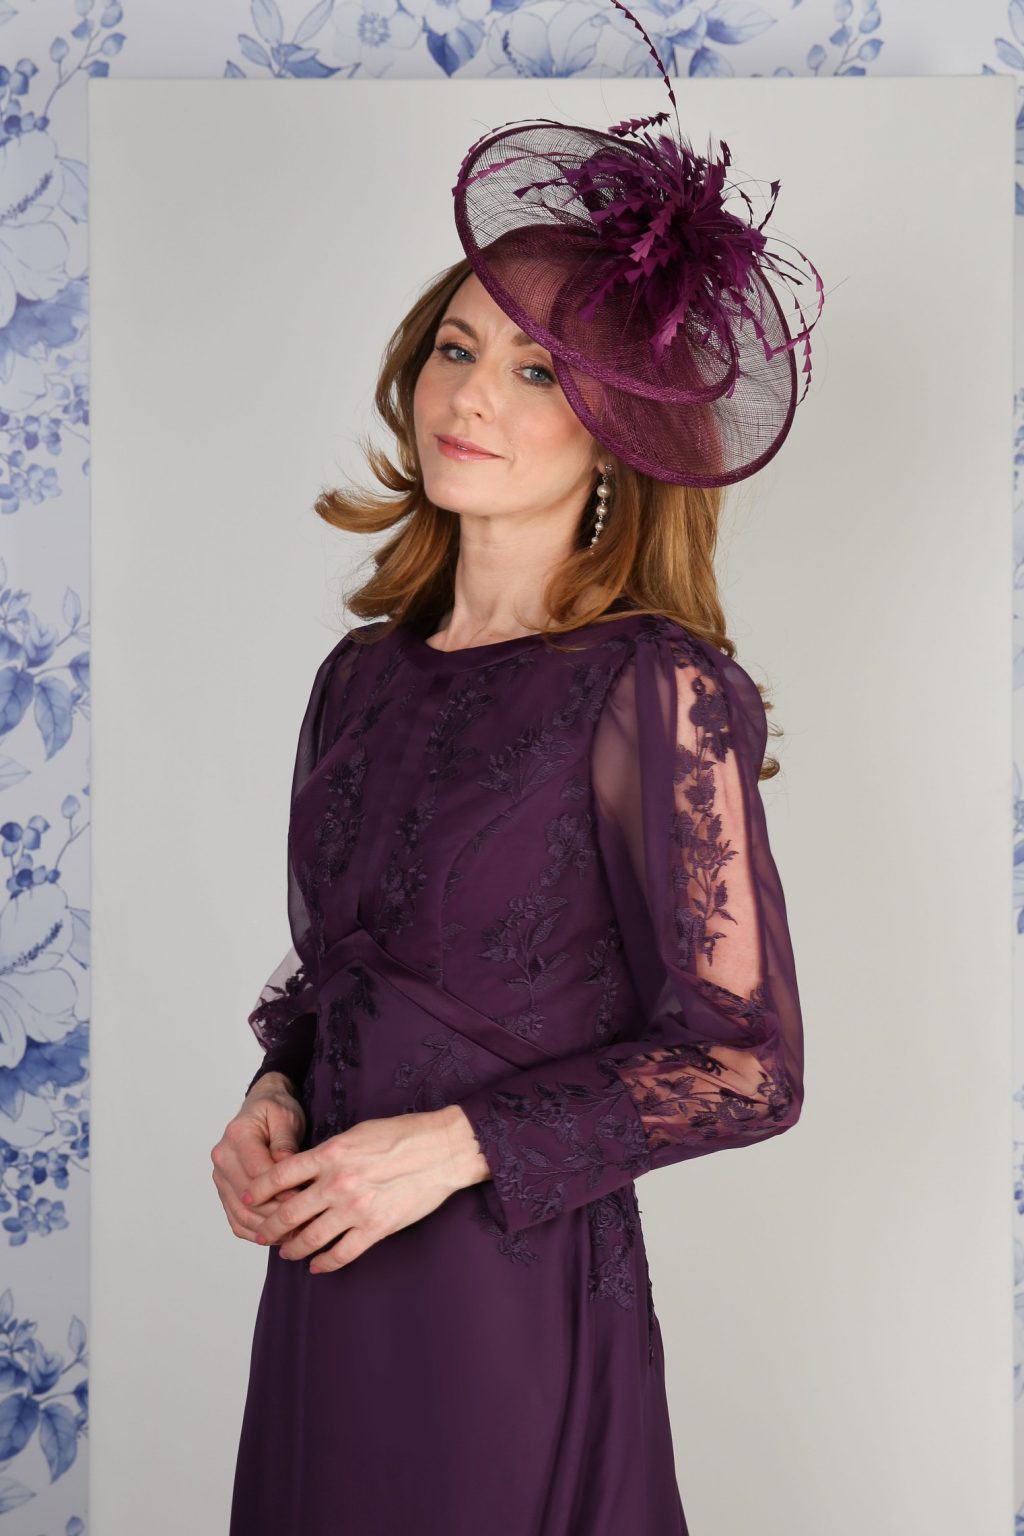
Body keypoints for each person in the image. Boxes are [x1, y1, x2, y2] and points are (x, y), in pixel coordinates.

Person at [212, 5, 822, 1530]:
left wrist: (450, 1151)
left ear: (620, 430)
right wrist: (270, 1096)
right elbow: (347, 983)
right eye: (457, 348)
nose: (470, 396)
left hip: (505, 1293)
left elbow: (747, 1063)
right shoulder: (358, 679)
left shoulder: (653, 688)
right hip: (328, 1273)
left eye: (541, 372)